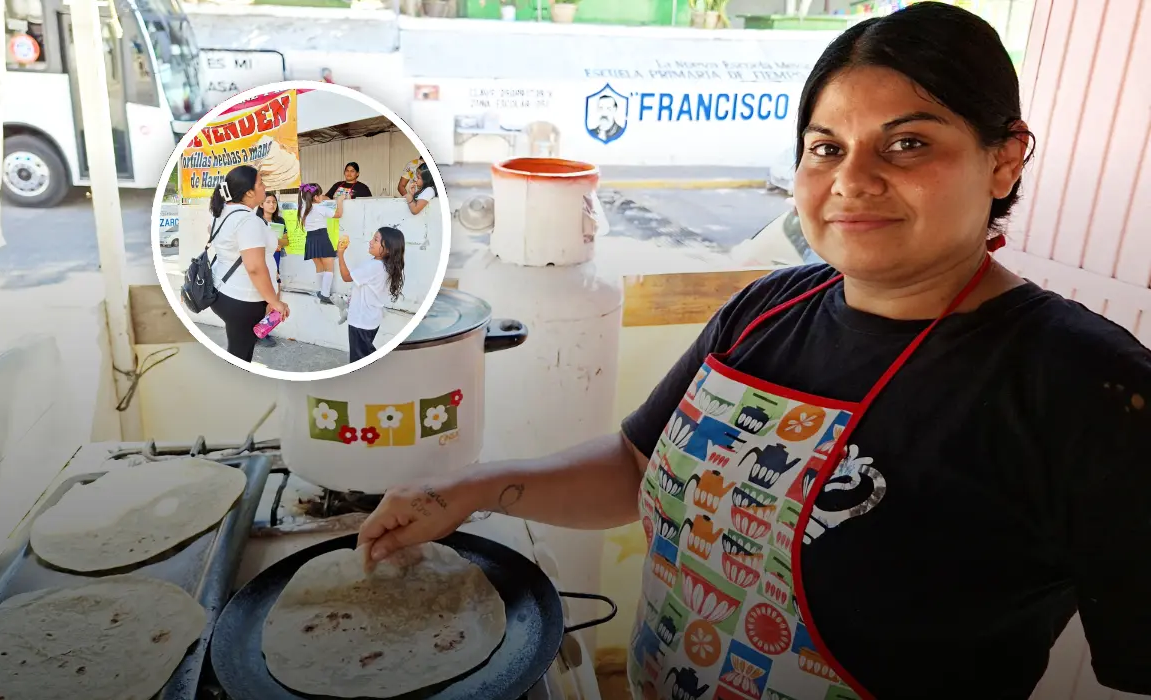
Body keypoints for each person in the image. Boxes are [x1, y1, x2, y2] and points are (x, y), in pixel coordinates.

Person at [357, 4, 1151, 700]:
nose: (852, 179)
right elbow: (638, 469)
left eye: (907, 143)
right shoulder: (770, 308)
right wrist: (473, 488)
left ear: (1005, 157)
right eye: (825, 146)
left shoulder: (1084, 384)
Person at [207, 165, 290, 363]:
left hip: (224, 292)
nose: (264, 186)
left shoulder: (222, 212)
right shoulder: (247, 221)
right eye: (261, 183)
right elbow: (254, 267)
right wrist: (274, 301)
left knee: (238, 348)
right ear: (250, 192)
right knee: (240, 357)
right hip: (243, 301)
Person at [336, 226, 405, 363]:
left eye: (376, 240)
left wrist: (340, 254)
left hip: (361, 321)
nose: (370, 242)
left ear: (388, 248)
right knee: (365, 353)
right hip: (371, 319)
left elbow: (346, 277)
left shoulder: (374, 266)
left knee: (359, 360)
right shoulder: (385, 265)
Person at [297, 182, 344, 305]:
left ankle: (319, 291)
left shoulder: (302, 209)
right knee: (329, 268)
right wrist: (339, 201)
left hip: (310, 239)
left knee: (319, 267)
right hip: (322, 237)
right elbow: (338, 214)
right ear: (316, 197)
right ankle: (325, 294)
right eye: (320, 195)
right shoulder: (320, 208)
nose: (322, 197)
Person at [255, 192, 290, 347]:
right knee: (258, 300)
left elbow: (286, 241)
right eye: (268, 201)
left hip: (275, 262)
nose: (271, 204)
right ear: (261, 204)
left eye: (274, 202)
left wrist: (277, 243)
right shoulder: (255, 221)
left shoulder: (280, 221)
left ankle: (264, 331)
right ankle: (255, 332)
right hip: (260, 263)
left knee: (274, 298)